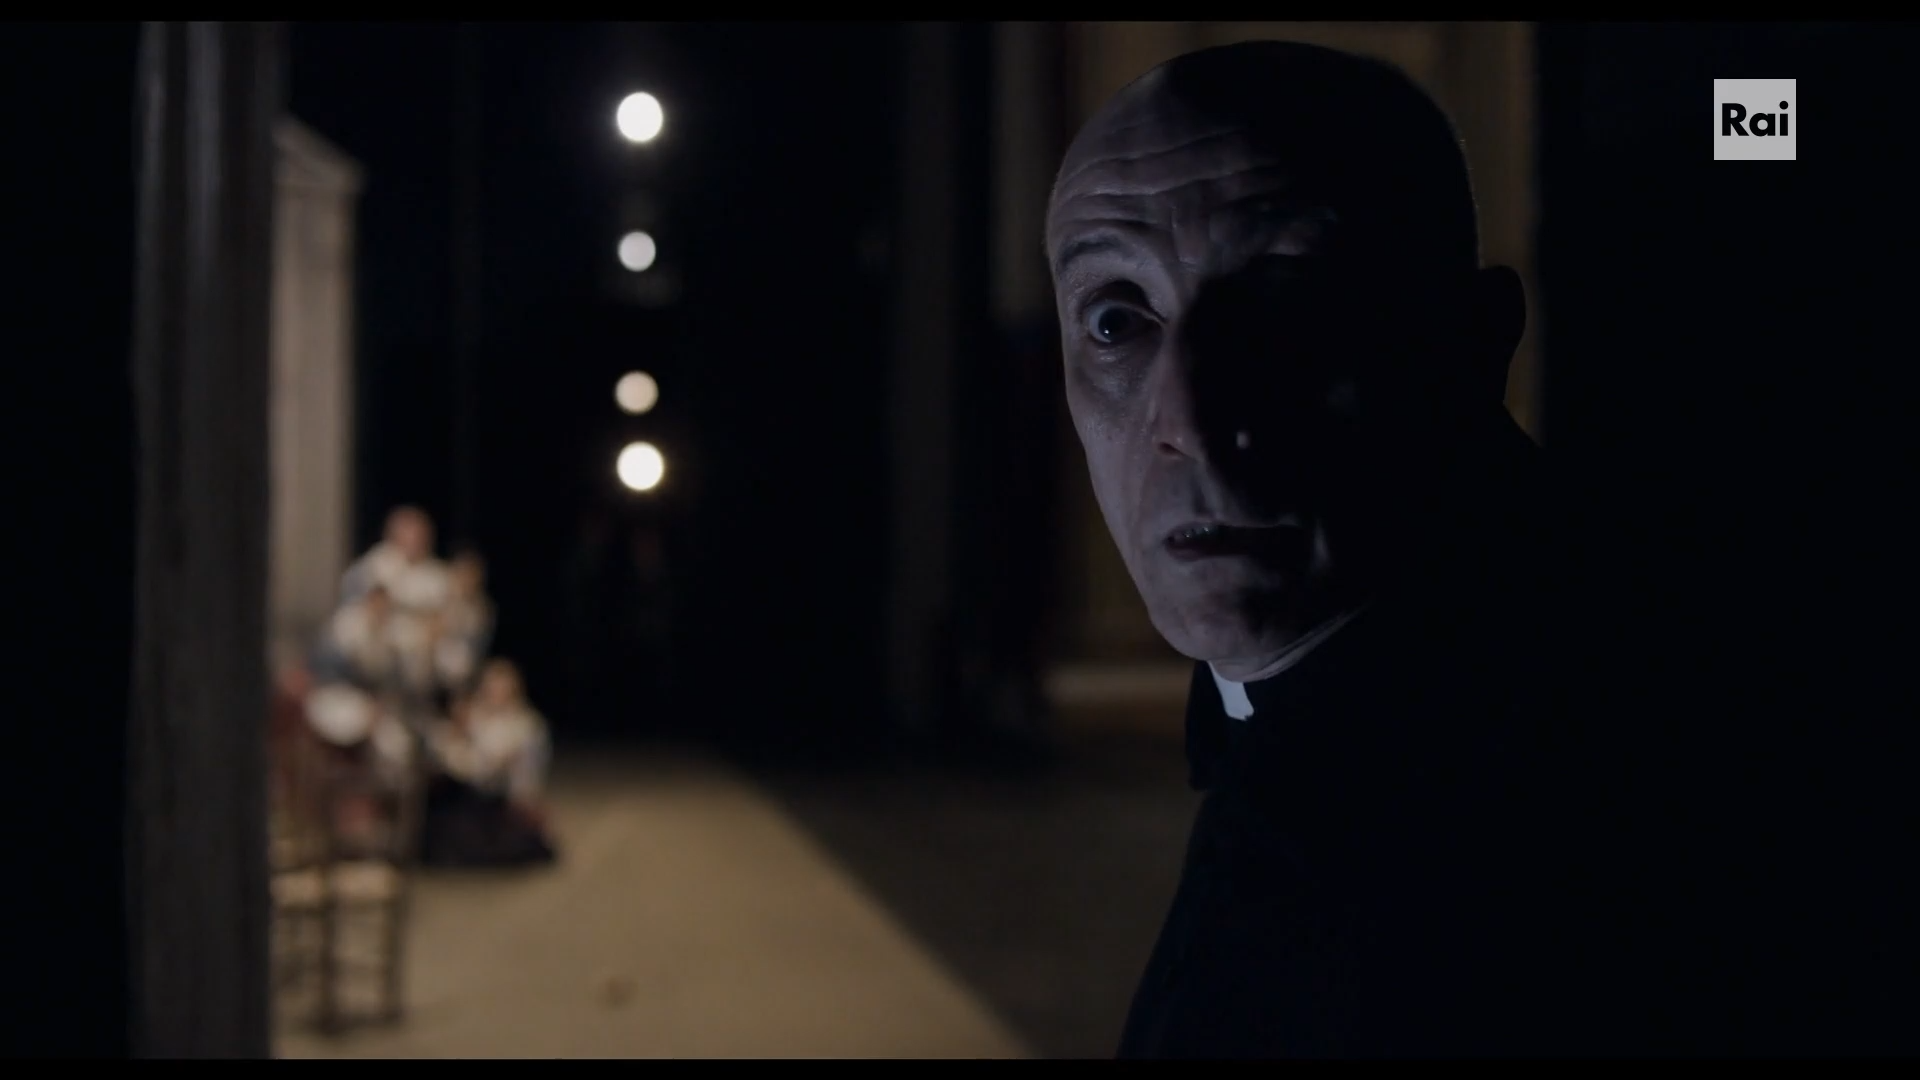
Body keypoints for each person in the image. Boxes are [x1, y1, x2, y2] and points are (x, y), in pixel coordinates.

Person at [1046, 42, 1777, 1056]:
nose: (1194, 422)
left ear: (1472, 345)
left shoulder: (1581, 816)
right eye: (1116, 321)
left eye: (1286, 299)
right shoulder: (1302, 724)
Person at [421, 659, 556, 867]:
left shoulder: (525, 725)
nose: (495, 694)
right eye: (491, 688)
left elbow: (489, 769)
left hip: (500, 801)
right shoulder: (474, 717)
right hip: (469, 796)